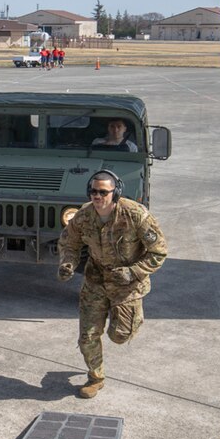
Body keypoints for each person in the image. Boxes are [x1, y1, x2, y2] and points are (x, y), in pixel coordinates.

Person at [57, 170, 166, 398]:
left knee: (119, 336)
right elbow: (70, 243)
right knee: (88, 336)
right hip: (95, 281)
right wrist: (68, 263)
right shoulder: (84, 216)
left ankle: (133, 316)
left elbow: (158, 251)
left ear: (115, 193)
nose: (97, 196)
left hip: (126, 285)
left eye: (103, 192)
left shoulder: (136, 215)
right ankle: (95, 378)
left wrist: (133, 272)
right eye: (94, 192)